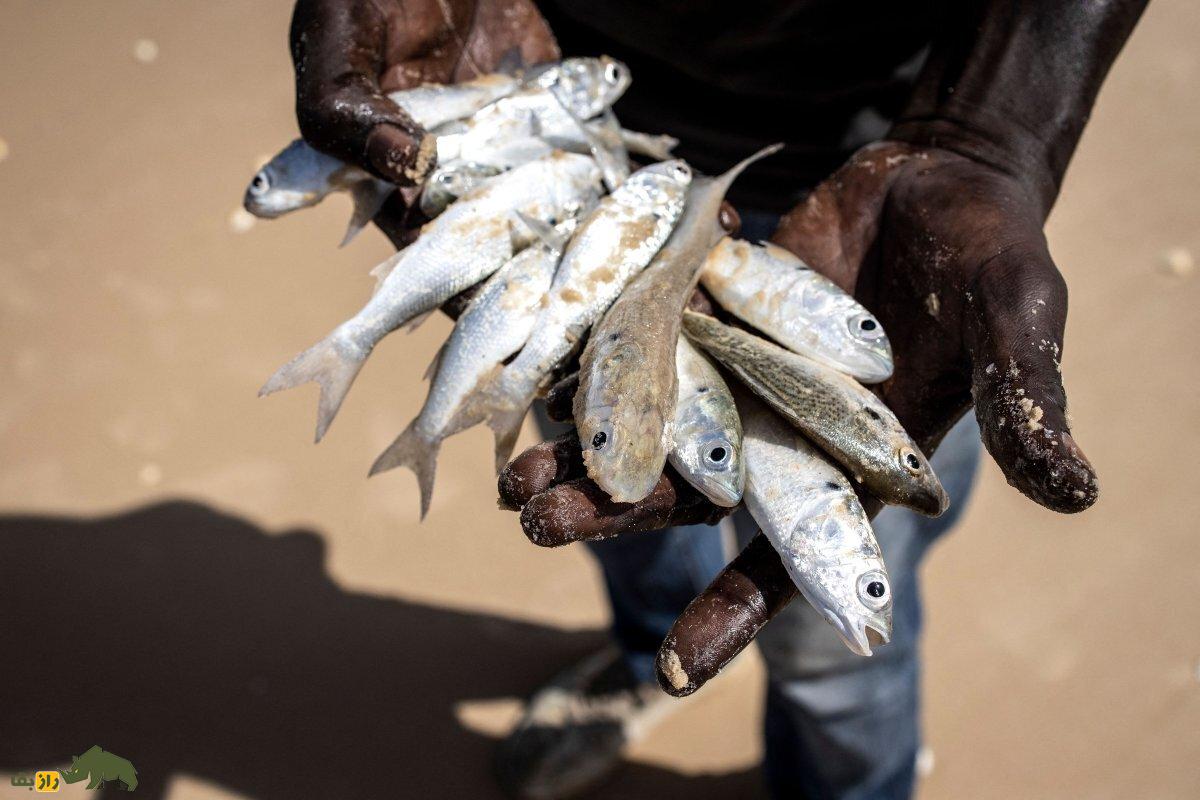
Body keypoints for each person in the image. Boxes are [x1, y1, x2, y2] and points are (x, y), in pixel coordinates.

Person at [285, 1, 1145, 797]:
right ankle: (645, 659)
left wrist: (990, 127)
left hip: (881, 194)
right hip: (576, 143)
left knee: (831, 653)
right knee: (615, 488)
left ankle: (849, 786)